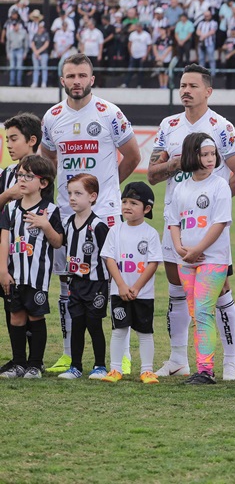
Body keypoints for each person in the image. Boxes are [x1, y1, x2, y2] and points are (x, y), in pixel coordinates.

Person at [40, 53, 141, 375]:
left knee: (112, 283)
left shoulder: (110, 113)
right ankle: (69, 355)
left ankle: (120, 355)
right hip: (66, 214)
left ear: (92, 79)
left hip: (105, 215)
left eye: (82, 76)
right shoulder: (52, 117)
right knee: (68, 284)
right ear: (62, 80)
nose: (77, 82)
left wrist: (107, 192)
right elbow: (47, 161)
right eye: (71, 76)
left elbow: (133, 155)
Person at [148, 64, 235, 380]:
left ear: (208, 91)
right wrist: (176, 164)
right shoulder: (169, 125)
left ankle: (230, 362)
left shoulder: (221, 127)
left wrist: (213, 210)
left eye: (193, 85)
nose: (186, 90)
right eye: (182, 85)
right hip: (176, 222)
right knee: (177, 289)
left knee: (218, 292)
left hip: (209, 228)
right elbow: (152, 175)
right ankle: (179, 359)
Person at [167, 133, 233, 385]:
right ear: (190, 154)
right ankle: (202, 368)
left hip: (212, 259)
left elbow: (219, 223)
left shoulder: (219, 185)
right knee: (197, 314)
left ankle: (206, 371)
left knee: (204, 312)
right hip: (186, 260)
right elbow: (173, 222)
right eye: (204, 154)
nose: (209, 159)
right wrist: (180, 248)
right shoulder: (181, 187)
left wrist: (197, 250)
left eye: (212, 154)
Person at [0, 155, 64, 379]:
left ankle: (35, 364)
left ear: (43, 183)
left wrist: (45, 226)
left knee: (36, 317)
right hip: (14, 275)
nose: (22, 180)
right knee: (16, 317)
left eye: (28, 176)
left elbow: (57, 242)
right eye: (19, 175)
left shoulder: (50, 211)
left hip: (37, 277)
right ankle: (18, 363)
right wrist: (3, 271)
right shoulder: (11, 210)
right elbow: (4, 242)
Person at [99, 182, 163, 384]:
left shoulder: (150, 233)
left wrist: (136, 287)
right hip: (120, 293)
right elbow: (109, 260)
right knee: (119, 331)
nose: (127, 206)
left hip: (143, 294)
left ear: (147, 209)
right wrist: (122, 286)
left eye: (134, 203)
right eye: (124, 201)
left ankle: (147, 370)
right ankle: (115, 369)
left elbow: (153, 263)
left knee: (145, 332)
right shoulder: (115, 231)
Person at [57, 175, 110, 381]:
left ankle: (100, 365)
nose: (72, 198)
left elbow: (108, 256)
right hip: (75, 284)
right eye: (70, 193)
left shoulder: (98, 226)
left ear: (92, 197)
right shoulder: (68, 223)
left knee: (94, 324)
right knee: (76, 325)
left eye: (78, 193)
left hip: (96, 284)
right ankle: (75, 366)